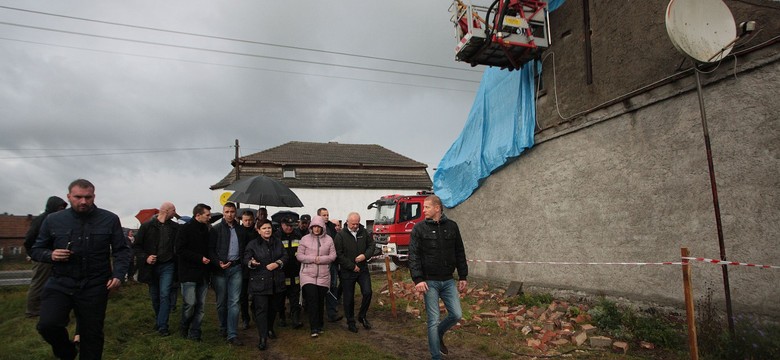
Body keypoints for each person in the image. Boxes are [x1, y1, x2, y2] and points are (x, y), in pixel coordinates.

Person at [31, 179, 130, 360]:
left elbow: (122, 250)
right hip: (60, 282)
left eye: (88, 197)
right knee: (47, 325)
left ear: (94, 196)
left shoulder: (109, 219)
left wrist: (118, 275)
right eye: (78, 197)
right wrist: (50, 255)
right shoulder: (53, 220)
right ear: (69, 197)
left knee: (91, 335)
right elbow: (36, 249)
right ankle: (67, 352)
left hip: (94, 284)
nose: (83, 201)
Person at [408, 195, 468, 359]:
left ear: (437, 208)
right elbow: (413, 255)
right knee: (433, 321)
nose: (424, 210)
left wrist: (463, 276)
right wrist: (418, 279)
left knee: (456, 315)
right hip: (429, 282)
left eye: (426, 207)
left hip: (448, 280)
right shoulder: (418, 229)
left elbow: (459, 252)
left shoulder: (452, 226)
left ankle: (438, 335)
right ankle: (436, 356)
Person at [134, 202, 180, 336]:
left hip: (168, 265)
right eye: (174, 210)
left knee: (165, 294)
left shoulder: (175, 227)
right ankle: (159, 319)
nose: (175, 213)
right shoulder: (147, 226)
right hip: (151, 267)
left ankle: (162, 326)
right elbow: (136, 247)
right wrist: (146, 257)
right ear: (166, 211)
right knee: (155, 297)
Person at [244, 219, 287, 351]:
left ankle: (269, 328)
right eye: (263, 228)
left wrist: (277, 263)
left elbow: (285, 256)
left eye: (268, 227)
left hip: (276, 281)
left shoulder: (278, 242)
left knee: (274, 308)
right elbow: (246, 258)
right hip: (260, 282)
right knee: (261, 309)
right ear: (258, 230)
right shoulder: (252, 244)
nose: (267, 230)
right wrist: (251, 262)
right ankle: (262, 337)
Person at [209, 202, 246, 346]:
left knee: (234, 301)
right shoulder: (216, 229)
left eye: (232, 212)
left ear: (235, 213)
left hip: (236, 267)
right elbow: (210, 249)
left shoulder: (241, 230)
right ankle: (223, 327)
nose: (230, 214)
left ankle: (232, 333)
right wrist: (218, 262)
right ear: (223, 213)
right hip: (220, 269)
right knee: (221, 302)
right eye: (227, 212)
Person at [24, 196, 67, 317]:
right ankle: (32, 311)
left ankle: (44, 307)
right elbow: (29, 239)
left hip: (52, 256)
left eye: (63, 207)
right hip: (42, 257)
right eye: (59, 207)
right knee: (39, 282)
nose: (62, 210)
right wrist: (34, 254)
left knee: (50, 283)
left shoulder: (55, 220)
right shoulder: (43, 219)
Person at [175, 203, 212, 341]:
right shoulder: (185, 229)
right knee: (190, 303)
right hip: (188, 272)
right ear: (198, 215)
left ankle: (195, 332)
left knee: (201, 306)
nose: (209, 217)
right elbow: (179, 250)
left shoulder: (206, 230)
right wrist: (199, 258)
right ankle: (184, 326)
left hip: (203, 273)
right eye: (207, 215)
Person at [296, 215, 337, 338]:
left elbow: (332, 256)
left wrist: (321, 260)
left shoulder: (329, 240)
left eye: (319, 227)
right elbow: (299, 256)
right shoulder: (304, 239)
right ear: (311, 227)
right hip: (307, 275)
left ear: (322, 227)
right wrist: (314, 259)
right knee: (312, 300)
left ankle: (320, 325)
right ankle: (313, 328)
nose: (316, 229)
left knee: (320, 301)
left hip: (323, 275)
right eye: (314, 227)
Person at [334, 212, 374, 333]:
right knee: (348, 298)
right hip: (348, 271)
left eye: (357, 223)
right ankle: (350, 321)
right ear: (347, 222)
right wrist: (351, 266)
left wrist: (365, 256)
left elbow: (371, 246)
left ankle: (362, 316)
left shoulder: (364, 232)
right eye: (353, 224)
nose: (355, 226)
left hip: (363, 269)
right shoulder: (340, 236)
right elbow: (338, 254)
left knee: (367, 292)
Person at [276, 216, 303, 328]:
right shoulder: (276, 237)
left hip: (295, 270)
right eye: (287, 225)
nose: (289, 228)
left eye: (291, 226)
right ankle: (282, 316)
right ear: (282, 225)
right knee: (280, 296)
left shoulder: (298, 235)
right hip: (281, 271)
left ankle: (295, 318)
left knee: (295, 294)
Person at [318, 207, 342, 322]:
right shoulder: (315, 229)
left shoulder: (333, 228)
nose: (326, 217)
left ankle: (332, 312)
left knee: (333, 286)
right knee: (320, 288)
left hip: (332, 263)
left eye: (327, 215)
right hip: (320, 263)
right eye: (324, 215)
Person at [239, 210, 257, 330]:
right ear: (242, 220)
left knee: (256, 294)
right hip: (242, 267)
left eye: (250, 220)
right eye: (245, 220)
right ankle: (245, 318)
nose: (248, 222)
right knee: (243, 296)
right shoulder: (238, 232)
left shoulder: (256, 233)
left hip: (255, 267)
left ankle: (255, 313)